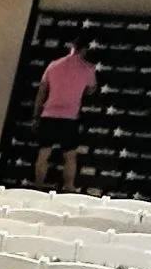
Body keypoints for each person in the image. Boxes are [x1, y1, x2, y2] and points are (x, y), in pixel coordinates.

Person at [31, 37, 100, 190]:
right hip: (70, 117)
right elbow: (91, 89)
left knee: (43, 154)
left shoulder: (53, 65)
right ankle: (69, 187)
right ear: (84, 50)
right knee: (70, 156)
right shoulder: (88, 69)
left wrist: (36, 116)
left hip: (48, 115)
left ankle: (38, 186)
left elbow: (41, 93)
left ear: (72, 47)